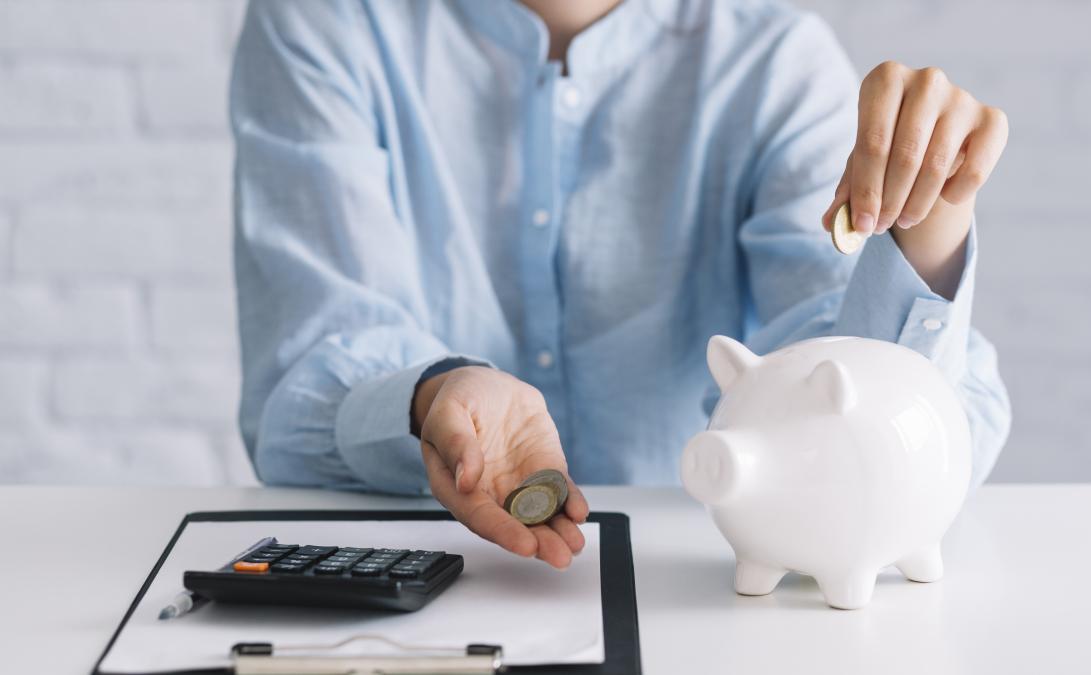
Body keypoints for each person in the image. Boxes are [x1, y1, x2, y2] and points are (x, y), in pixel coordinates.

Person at [230, 0, 1011, 570]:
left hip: (704, 588)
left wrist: (927, 231)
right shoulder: (323, 24)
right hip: (424, 575)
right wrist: (432, 393)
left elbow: (898, 435)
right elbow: (296, 400)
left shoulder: (775, 63)